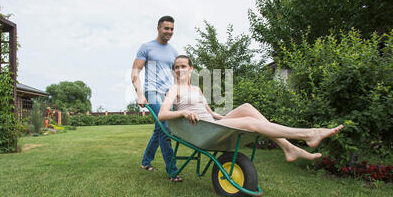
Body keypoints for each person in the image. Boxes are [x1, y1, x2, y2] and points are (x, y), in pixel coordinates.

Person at [158, 55, 344, 162]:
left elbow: (210, 112)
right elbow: (162, 114)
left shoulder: (197, 88)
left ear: (191, 69)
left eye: (183, 66)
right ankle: (308, 134)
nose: (179, 70)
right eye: (176, 67)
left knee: (247, 107)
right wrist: (183, 112)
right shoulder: (175, 89)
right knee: (249, 122)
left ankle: (288, 147)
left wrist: (221, 118)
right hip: (199, 130)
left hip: (210, 123)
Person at [131, 16, 183, 182]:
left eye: (172, 29)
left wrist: (178, 94)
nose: (169, 32)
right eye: (166, 28)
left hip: (168, 94)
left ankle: (146, 162)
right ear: (158, 28)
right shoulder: (146, 47)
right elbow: (135, 72)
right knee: (166, 127)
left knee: (158, 130)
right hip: (152, 92)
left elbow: (176, 76)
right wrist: (140, 94)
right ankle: (172, 171)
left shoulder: (173, 51)